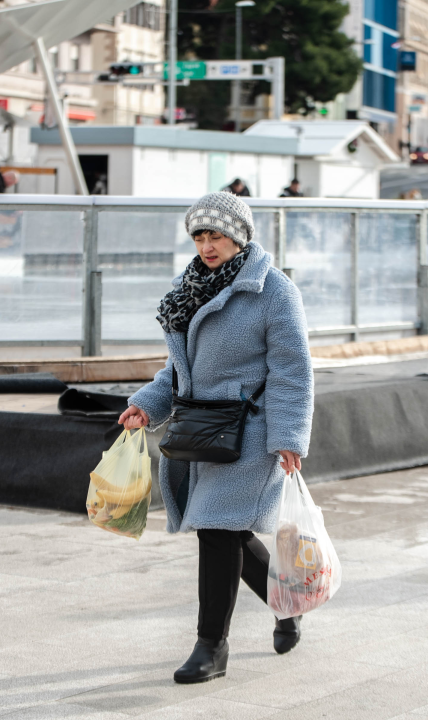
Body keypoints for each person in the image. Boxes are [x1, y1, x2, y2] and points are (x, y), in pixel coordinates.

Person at [119, 192, 314, 684]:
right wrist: (148, 404)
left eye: (217, 236)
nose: (207, 246)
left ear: (240, 236)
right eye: (199, 236)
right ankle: (287, 603)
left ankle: (211, 647)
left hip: (251, 431)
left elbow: (293, 371)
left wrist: (289, 435)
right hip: (201, 430)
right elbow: (178, 369)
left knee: (217, 528)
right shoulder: (189, 287)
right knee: (227, 529)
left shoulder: (274, 291)